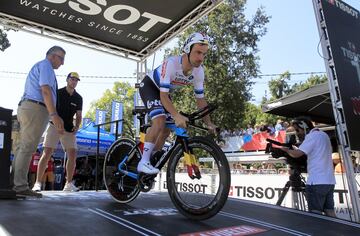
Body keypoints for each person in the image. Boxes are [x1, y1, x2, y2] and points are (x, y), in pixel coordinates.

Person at [137, 32, 216, 174]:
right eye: (198, 52)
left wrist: (208, 123)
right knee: (160, 121)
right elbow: (163, 96)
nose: (201, 58)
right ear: (187, 49)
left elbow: (201, 100)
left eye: (204, 54)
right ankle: (143, 162)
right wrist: (176, 115)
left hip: (164, 93)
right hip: (150, 86)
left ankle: (153, 159)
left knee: (166, 129)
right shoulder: (172, 64)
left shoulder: (199, 72)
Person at [12, 46, 65, 198]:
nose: (62, 63)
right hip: (35, 108)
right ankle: (20, 186)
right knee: (27, 148)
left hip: (30, 107)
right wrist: (53, 114)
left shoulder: (42, 66)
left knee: (23, 147)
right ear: (53, 56)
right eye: (61, 58)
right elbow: (46, 90)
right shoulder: (46, 66)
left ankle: (14, 184)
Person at [32, 72, 83, 192]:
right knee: (47, 153)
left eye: (76, 80)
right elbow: (50, 107)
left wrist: (77, 126)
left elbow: (79, 114)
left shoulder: (78, 97)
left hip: (68, 129)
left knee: (73, 153)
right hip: (54, 125)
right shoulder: (58, 93)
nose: (74, 82)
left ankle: (68, 184)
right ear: (67, 79)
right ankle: (37, 183)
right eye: (72, 79)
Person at [279, 116, 336, 217]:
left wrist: (286, 150)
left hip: (316, 182)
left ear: (304, 126)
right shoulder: (324, 135)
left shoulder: (312, 136)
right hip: (329, 181)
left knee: (315, 215)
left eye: (297, 130)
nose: (297, 133)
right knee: (330, 212)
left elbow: (297, 154)